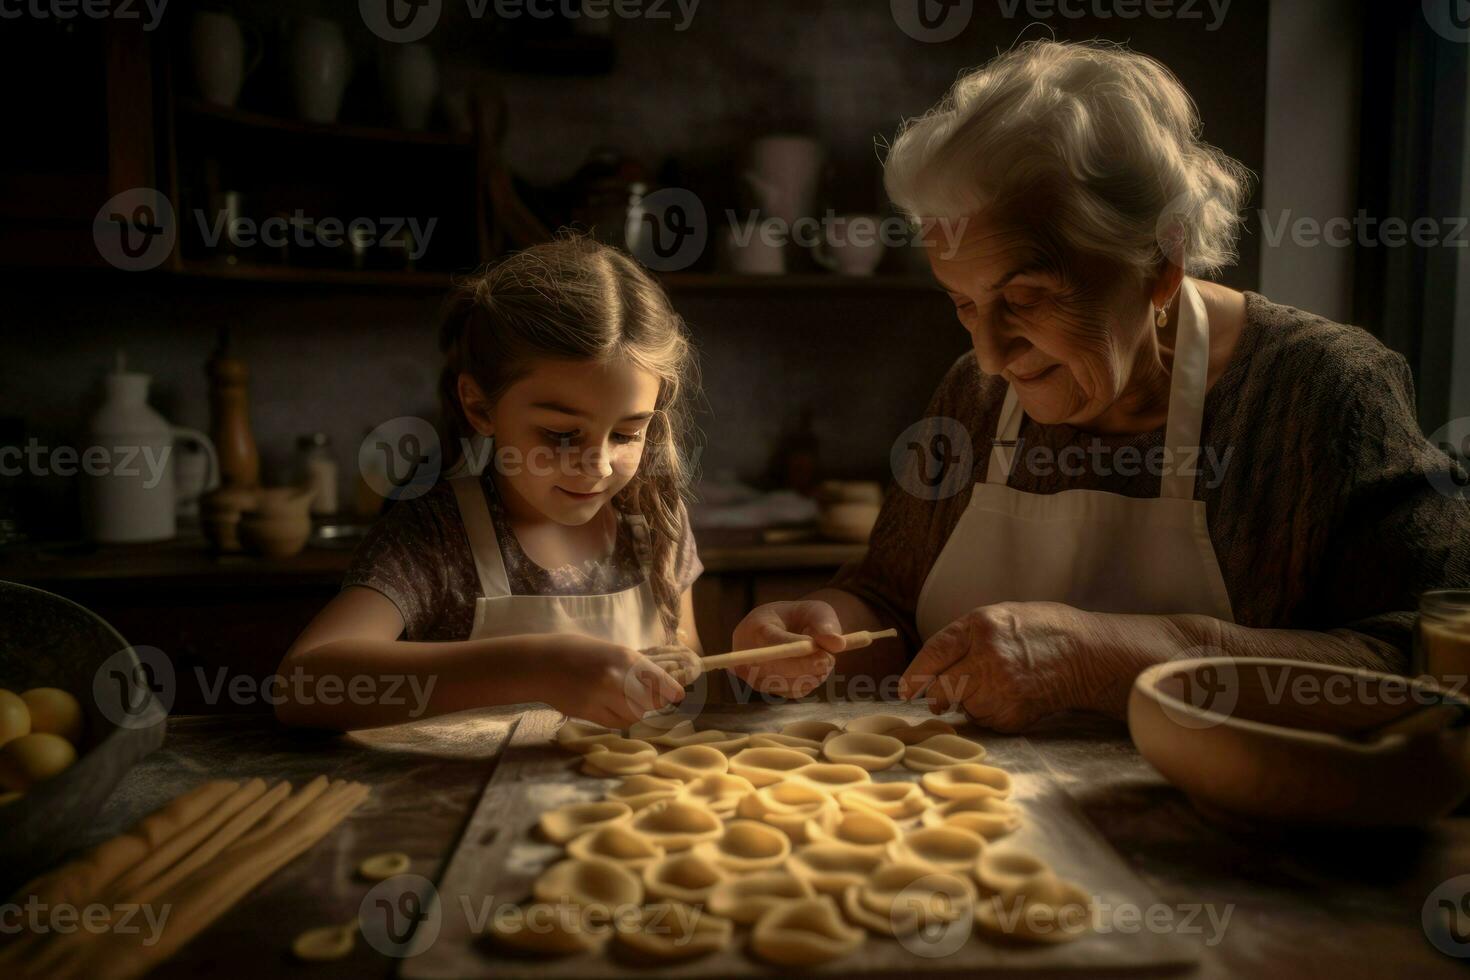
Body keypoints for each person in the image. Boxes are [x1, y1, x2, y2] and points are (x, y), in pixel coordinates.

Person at [731, 40, 1470, 730]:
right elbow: (887, 604)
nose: (989, 355)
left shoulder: (1321, 391)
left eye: (1025, 298)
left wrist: (1118, 659)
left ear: (1161, 261)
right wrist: (820, 625)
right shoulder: (975, 399)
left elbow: (1427, 663)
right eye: (963, 302)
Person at [276, 237, 704, 730]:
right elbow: (304, 685)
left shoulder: (653, 518)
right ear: (480, 407)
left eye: (627, 433)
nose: (600, 465)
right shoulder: (438, 534)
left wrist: (755, 662)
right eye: (562, 434)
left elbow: (685, 657)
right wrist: (539, 668)